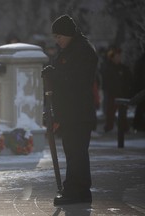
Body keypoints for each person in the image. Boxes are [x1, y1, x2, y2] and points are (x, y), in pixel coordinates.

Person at [42, 14, 98, 205]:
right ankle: (78, 190)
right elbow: (62, 76)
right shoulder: (69, 50)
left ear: (68, 33)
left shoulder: (82, 50)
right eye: (55, 37)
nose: (57, 41)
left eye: (59, 36)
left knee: (76, 152)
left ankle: (76, 190)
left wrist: (54, 75)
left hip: (79, 112)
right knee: (73, 152)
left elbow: (76, 81)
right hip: (70, 112)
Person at [102, 47, 132, 132]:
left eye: (119, 56)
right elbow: (106, 82)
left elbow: (128, 80)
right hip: (112, 94)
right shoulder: (108, 69)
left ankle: (124, 127)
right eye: (116, 56)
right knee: (110, 112)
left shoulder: (124, 68)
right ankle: (109, 127)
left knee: (123, 112)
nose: (118, 58)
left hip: (123, 94)